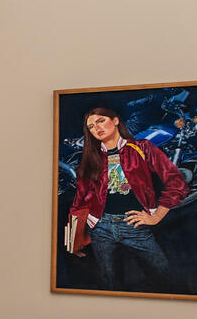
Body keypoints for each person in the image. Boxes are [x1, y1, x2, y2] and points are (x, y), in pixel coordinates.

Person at [63, 104, 189, 291]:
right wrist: (73, 239)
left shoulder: (142, 148)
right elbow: (81, 198)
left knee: (163, 277)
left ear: (115, 121)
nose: (96, 128)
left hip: (135, 226)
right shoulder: (90, 157)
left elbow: (176, 182)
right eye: (91, 126)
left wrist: (157, 216)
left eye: (101, 121)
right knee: (110, 282)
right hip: (100, 228)